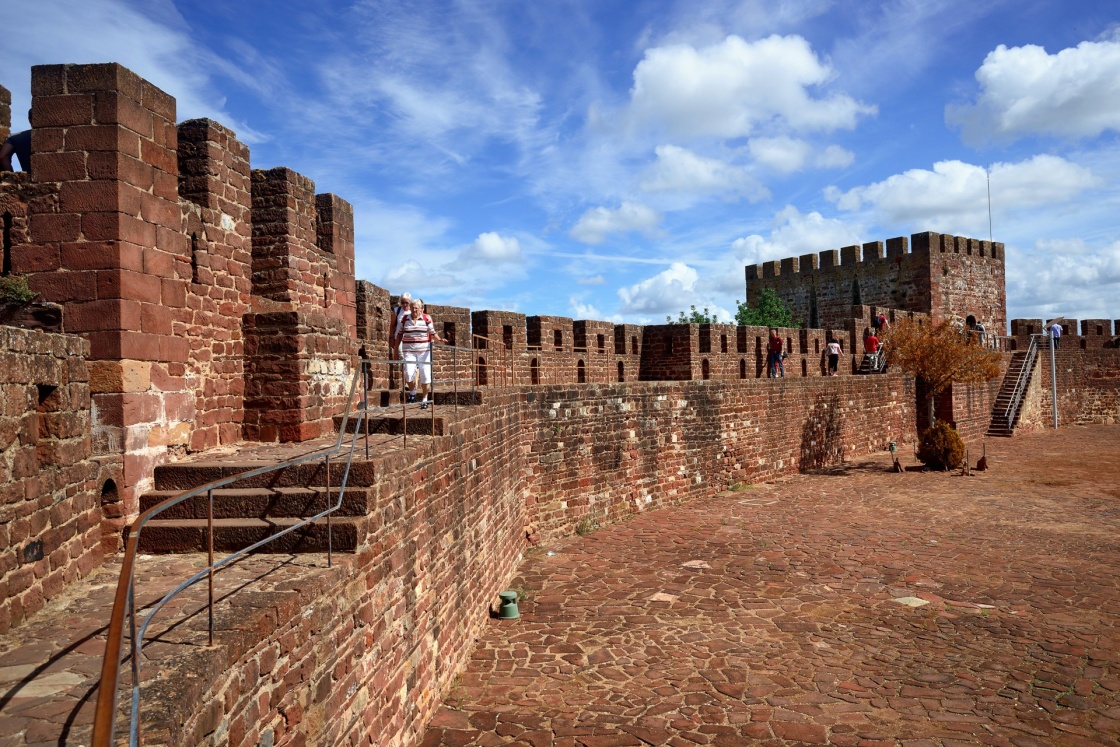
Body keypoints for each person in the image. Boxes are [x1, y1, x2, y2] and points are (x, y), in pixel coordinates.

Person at [394, 298, 446, 409]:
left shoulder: (427, 318)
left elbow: (432, 333)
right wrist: (395, 350)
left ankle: (424, 399)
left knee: (426, 376)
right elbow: (399, 335)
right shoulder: (404, 319)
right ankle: (412, 392)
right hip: (409, 351)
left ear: (421, 309)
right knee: (408, 374)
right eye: (412, 308)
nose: (413, 310)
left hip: (424, 352)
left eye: (416, 308)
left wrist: (439, 339)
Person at [389, 291, 412, 360]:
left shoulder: (412, 311)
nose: (404, 304)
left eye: (406, 303)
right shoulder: (397, 310)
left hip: (409, 338)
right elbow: (392, 325)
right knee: (401, 354)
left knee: (408, 356)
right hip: (398, 337)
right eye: (402, 302)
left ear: (410, 302)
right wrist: (391, 338)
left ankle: (407, 370)